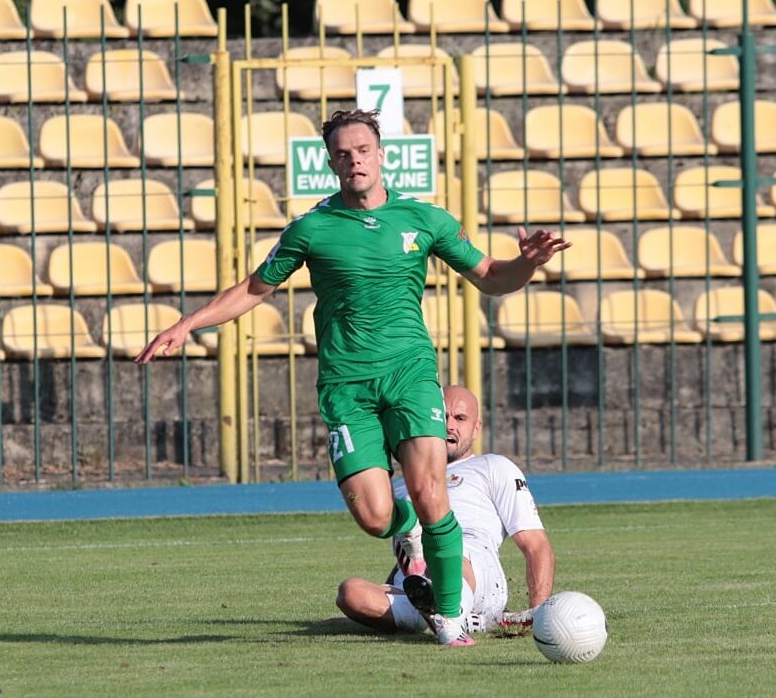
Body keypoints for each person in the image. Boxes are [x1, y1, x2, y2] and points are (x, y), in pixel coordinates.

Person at [135, 109, 568, 646]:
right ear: (332, 161)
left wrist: (527, 263)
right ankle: (405, 526)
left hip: (410, 375)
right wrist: (188, 323)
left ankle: (451, 617)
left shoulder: (424, 219)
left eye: (362, 150)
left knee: (434, 492)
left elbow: (492, 278)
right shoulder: (312, 228)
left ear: (381, 154)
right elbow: (252, 288)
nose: (354, 160)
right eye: (343, 153)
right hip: (347, 389)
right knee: (374, 514)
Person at [335, 385, 555, 637]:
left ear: (476, 429)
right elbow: (408, 558)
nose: (449, 425)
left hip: (474, 563)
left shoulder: (494, 467)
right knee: (350, 592)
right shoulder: (403, 485)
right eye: (442, 416)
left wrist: (539, 612)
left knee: (451, 557)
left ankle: (446, 615)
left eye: (460, 418)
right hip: (420, 575)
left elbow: (536, 546)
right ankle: (455, 619)